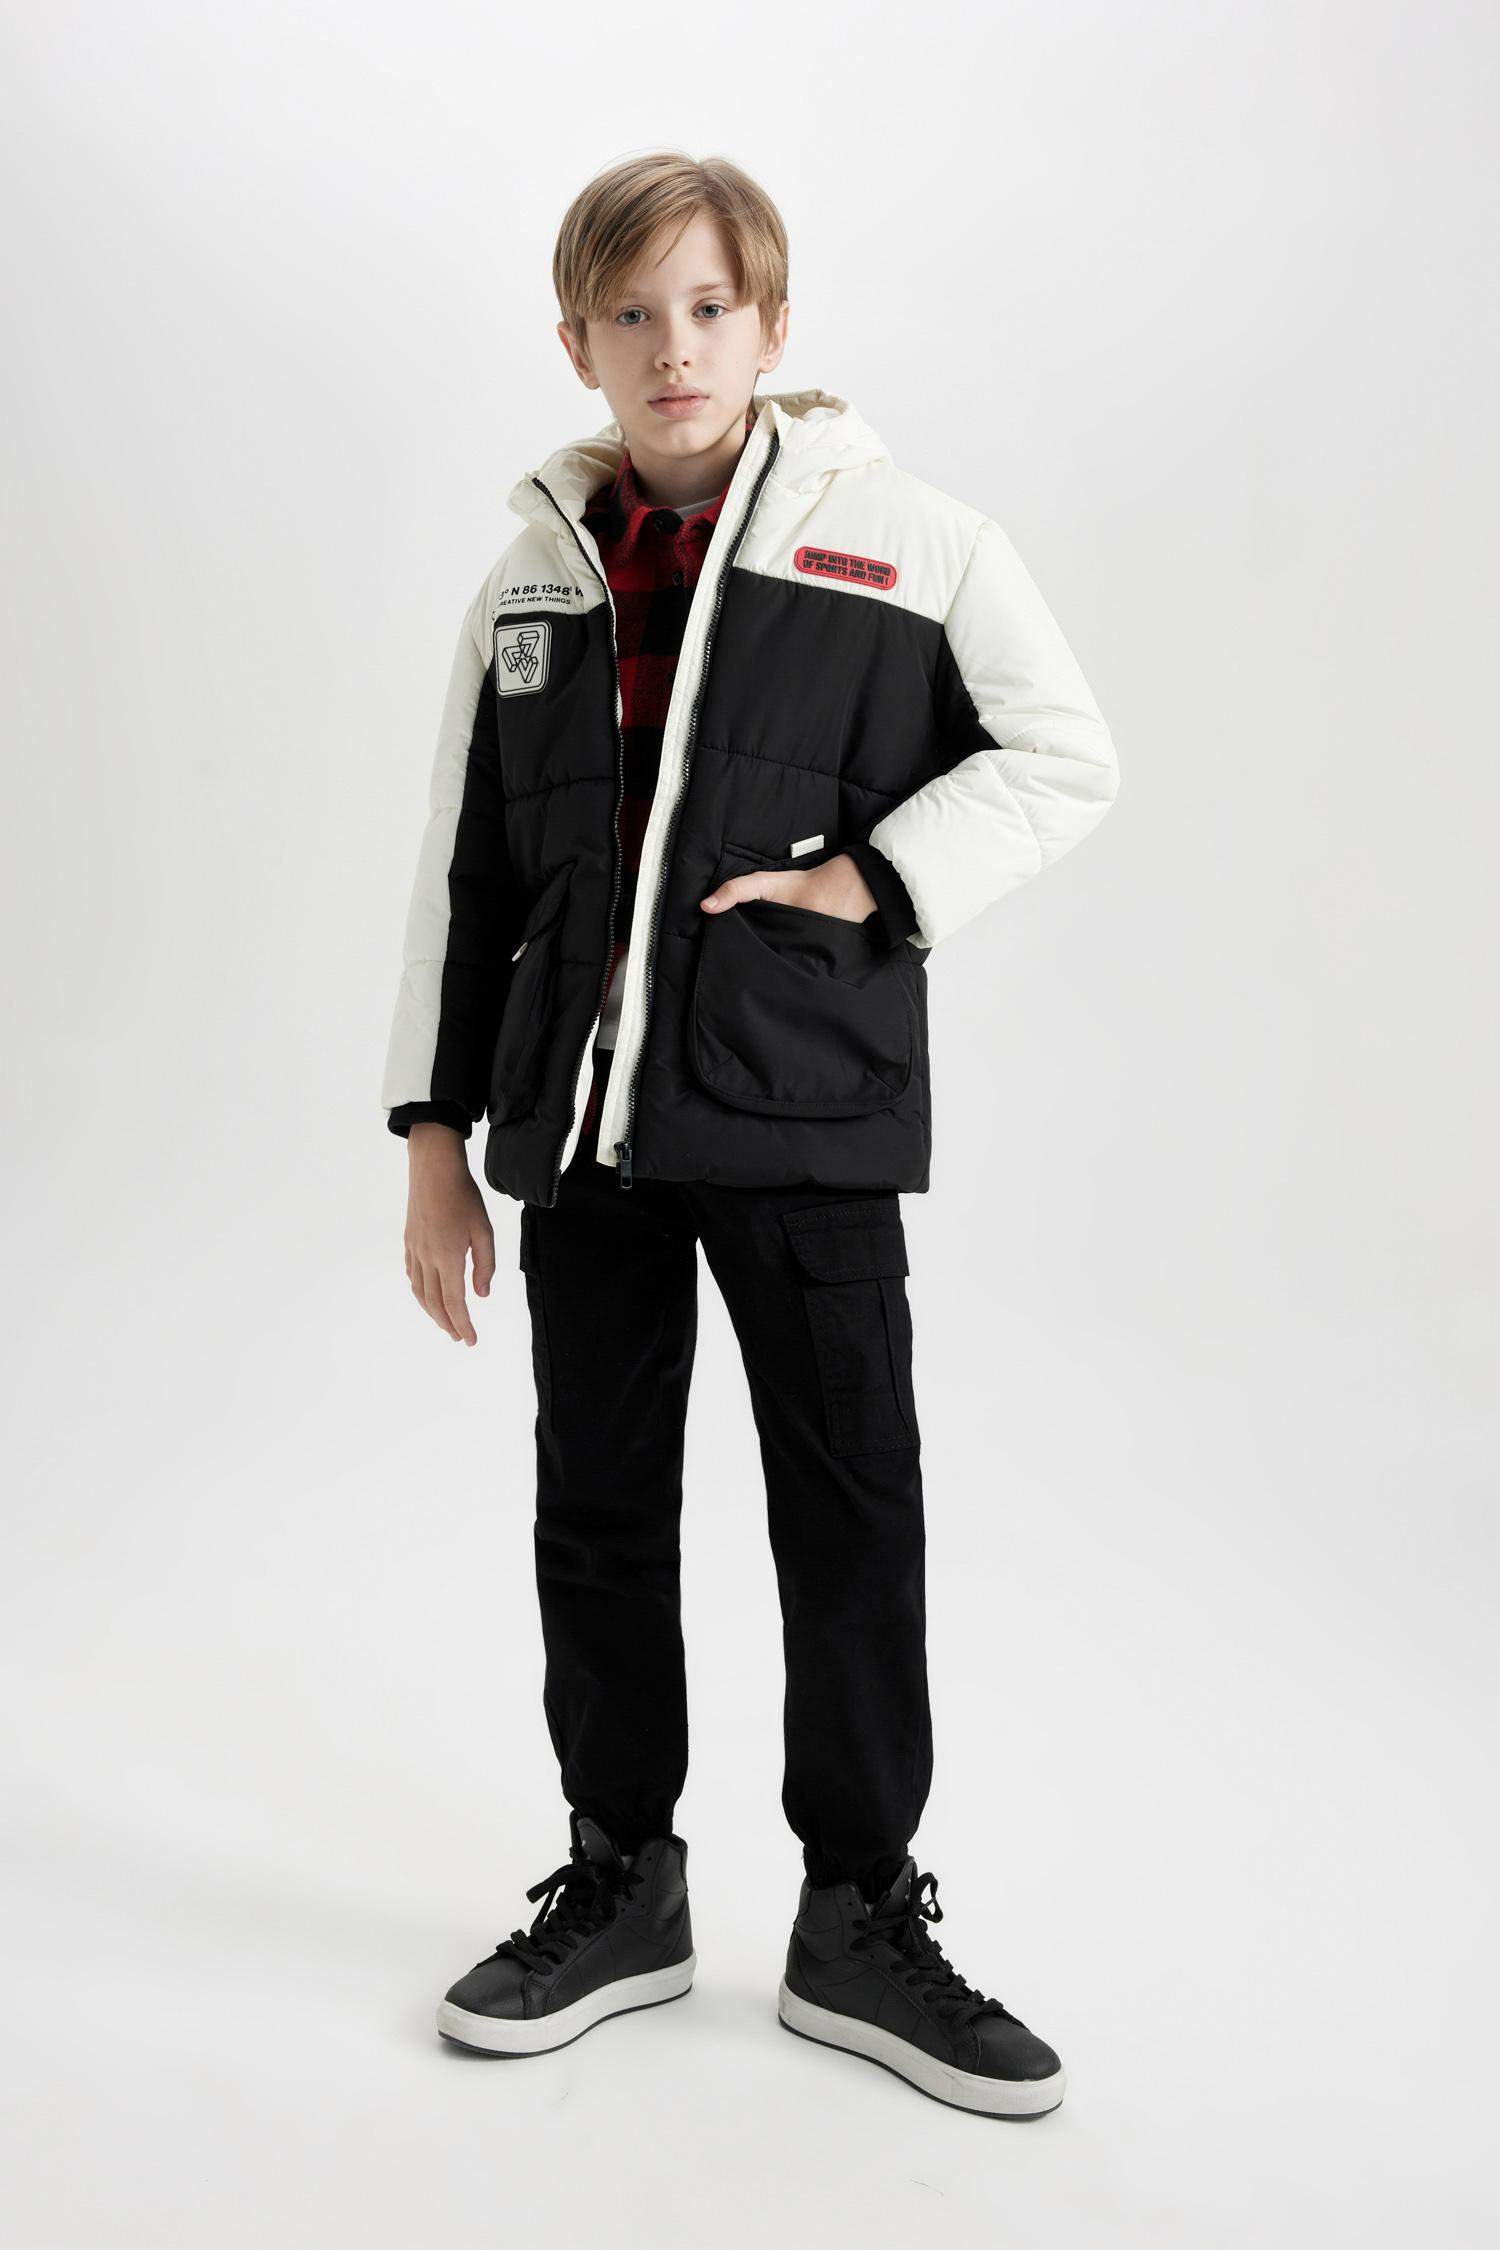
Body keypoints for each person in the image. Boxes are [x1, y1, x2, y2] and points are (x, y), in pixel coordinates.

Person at [382, 151, 1119, 2117]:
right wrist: (437, 1134)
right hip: (585, 1133)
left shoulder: (913, 540)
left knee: (850, 1511)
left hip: (807, 1121)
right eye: (632, 313)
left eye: (709, 307)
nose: (674, 347)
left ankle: (861, 1914)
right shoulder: (535, 575)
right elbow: (468, 874)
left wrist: (877, 877)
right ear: (577, 342)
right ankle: (622, 1881)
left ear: (772, 327)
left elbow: (1064, 754)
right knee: (598, 1511)